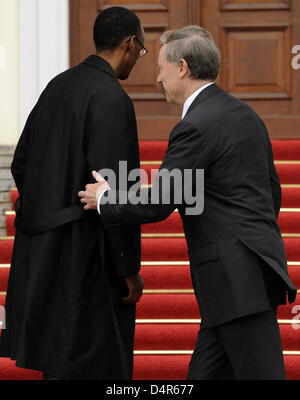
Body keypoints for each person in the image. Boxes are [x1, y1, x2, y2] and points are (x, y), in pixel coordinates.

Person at [79, 25, 297, 380]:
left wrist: (106, 199)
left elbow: (162, 199)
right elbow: (270, 193)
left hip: (235, 281)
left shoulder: (195, 125)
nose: (157, 78)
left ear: (182, 68)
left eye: (162, 67)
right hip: (242, 278)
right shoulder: (246, 115)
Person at [0, 7, 145, 380]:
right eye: (140, 51)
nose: (138, 60)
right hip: (89, 257)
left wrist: (48, 208)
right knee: (95, 363)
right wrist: (127, 268)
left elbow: (21, 162)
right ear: (128, 44)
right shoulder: (112, 98)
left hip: (44, 251)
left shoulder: (57, 86)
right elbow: (118, 189)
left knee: (59, 362)